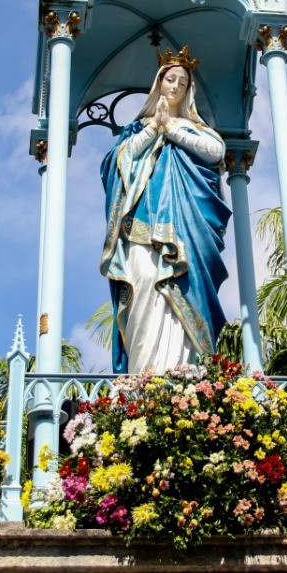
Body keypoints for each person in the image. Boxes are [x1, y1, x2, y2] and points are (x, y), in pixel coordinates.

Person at [100, 46, 230, 374]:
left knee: (186, 288)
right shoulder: (138, 128)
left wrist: (171, 129)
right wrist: (153, 129)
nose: (174, 86)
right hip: (142, 225)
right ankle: (143, 378)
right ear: (158, 83)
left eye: (181, 83)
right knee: (143, 280)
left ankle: (184, 376)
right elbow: (119, 161)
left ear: (188, 92)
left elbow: (216, 152)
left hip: (187, 228)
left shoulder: (196, 129)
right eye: (169, 79)